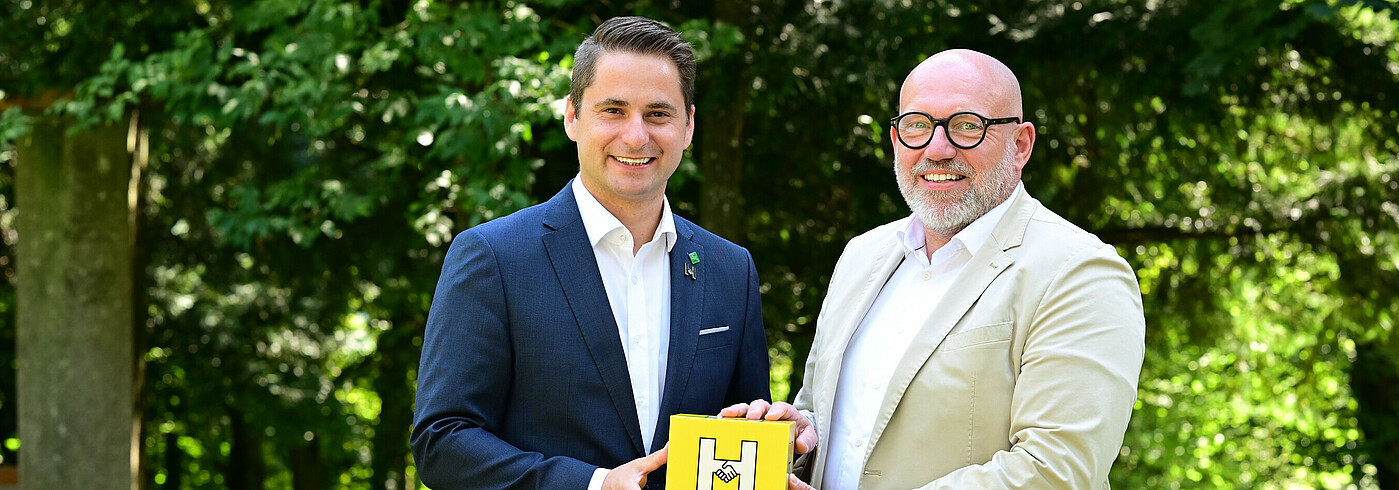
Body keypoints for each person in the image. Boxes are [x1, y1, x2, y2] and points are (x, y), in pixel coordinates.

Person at [722, 49, 1146, 489]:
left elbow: (1056, 471)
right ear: (895, 140)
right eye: (917, 126)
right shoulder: (863, 255)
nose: (937, 149)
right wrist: (798, 438)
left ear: (1020, 145)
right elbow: (828, 415)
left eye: (967, 126)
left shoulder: (1080, 273)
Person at [412, 16, 771, 490]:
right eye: (614, 110)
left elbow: (744, 445)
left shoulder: (730, 269)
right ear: (572, 117)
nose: (636, 136)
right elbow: (442, 441)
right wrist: (594, 484)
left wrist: (780, 440)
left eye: (658, 114)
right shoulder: (493, 258)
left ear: (688, 127)